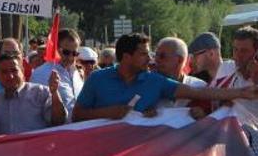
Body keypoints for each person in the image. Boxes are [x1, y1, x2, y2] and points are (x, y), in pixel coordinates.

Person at [72, 33, 258, 122]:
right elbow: (76, 116)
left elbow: (200, 92)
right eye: (144, 54)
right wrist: (108, 113)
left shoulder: (154, 81)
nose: (151, 59)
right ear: (127, 57)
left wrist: (241, 92)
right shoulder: (97, 79)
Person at [0, 54, 66, 135]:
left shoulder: (40, 93)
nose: (10, 76)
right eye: (4, 72)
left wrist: (55, 93)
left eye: (14, 70)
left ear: (22, 71)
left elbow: (59, 121)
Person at [30, 29, 84, 117]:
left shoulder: (75, 73)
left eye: (75, 53)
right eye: (66, 52)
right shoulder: (40, 74)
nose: (71, 57)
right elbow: (35, 111)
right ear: (55, 49)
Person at [153, 37, 206, 110]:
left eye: (162, 56)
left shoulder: (199, 85)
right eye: (156, 55)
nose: (156, 60)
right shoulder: (147, 86)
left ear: (180, 60)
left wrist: (203, 114)